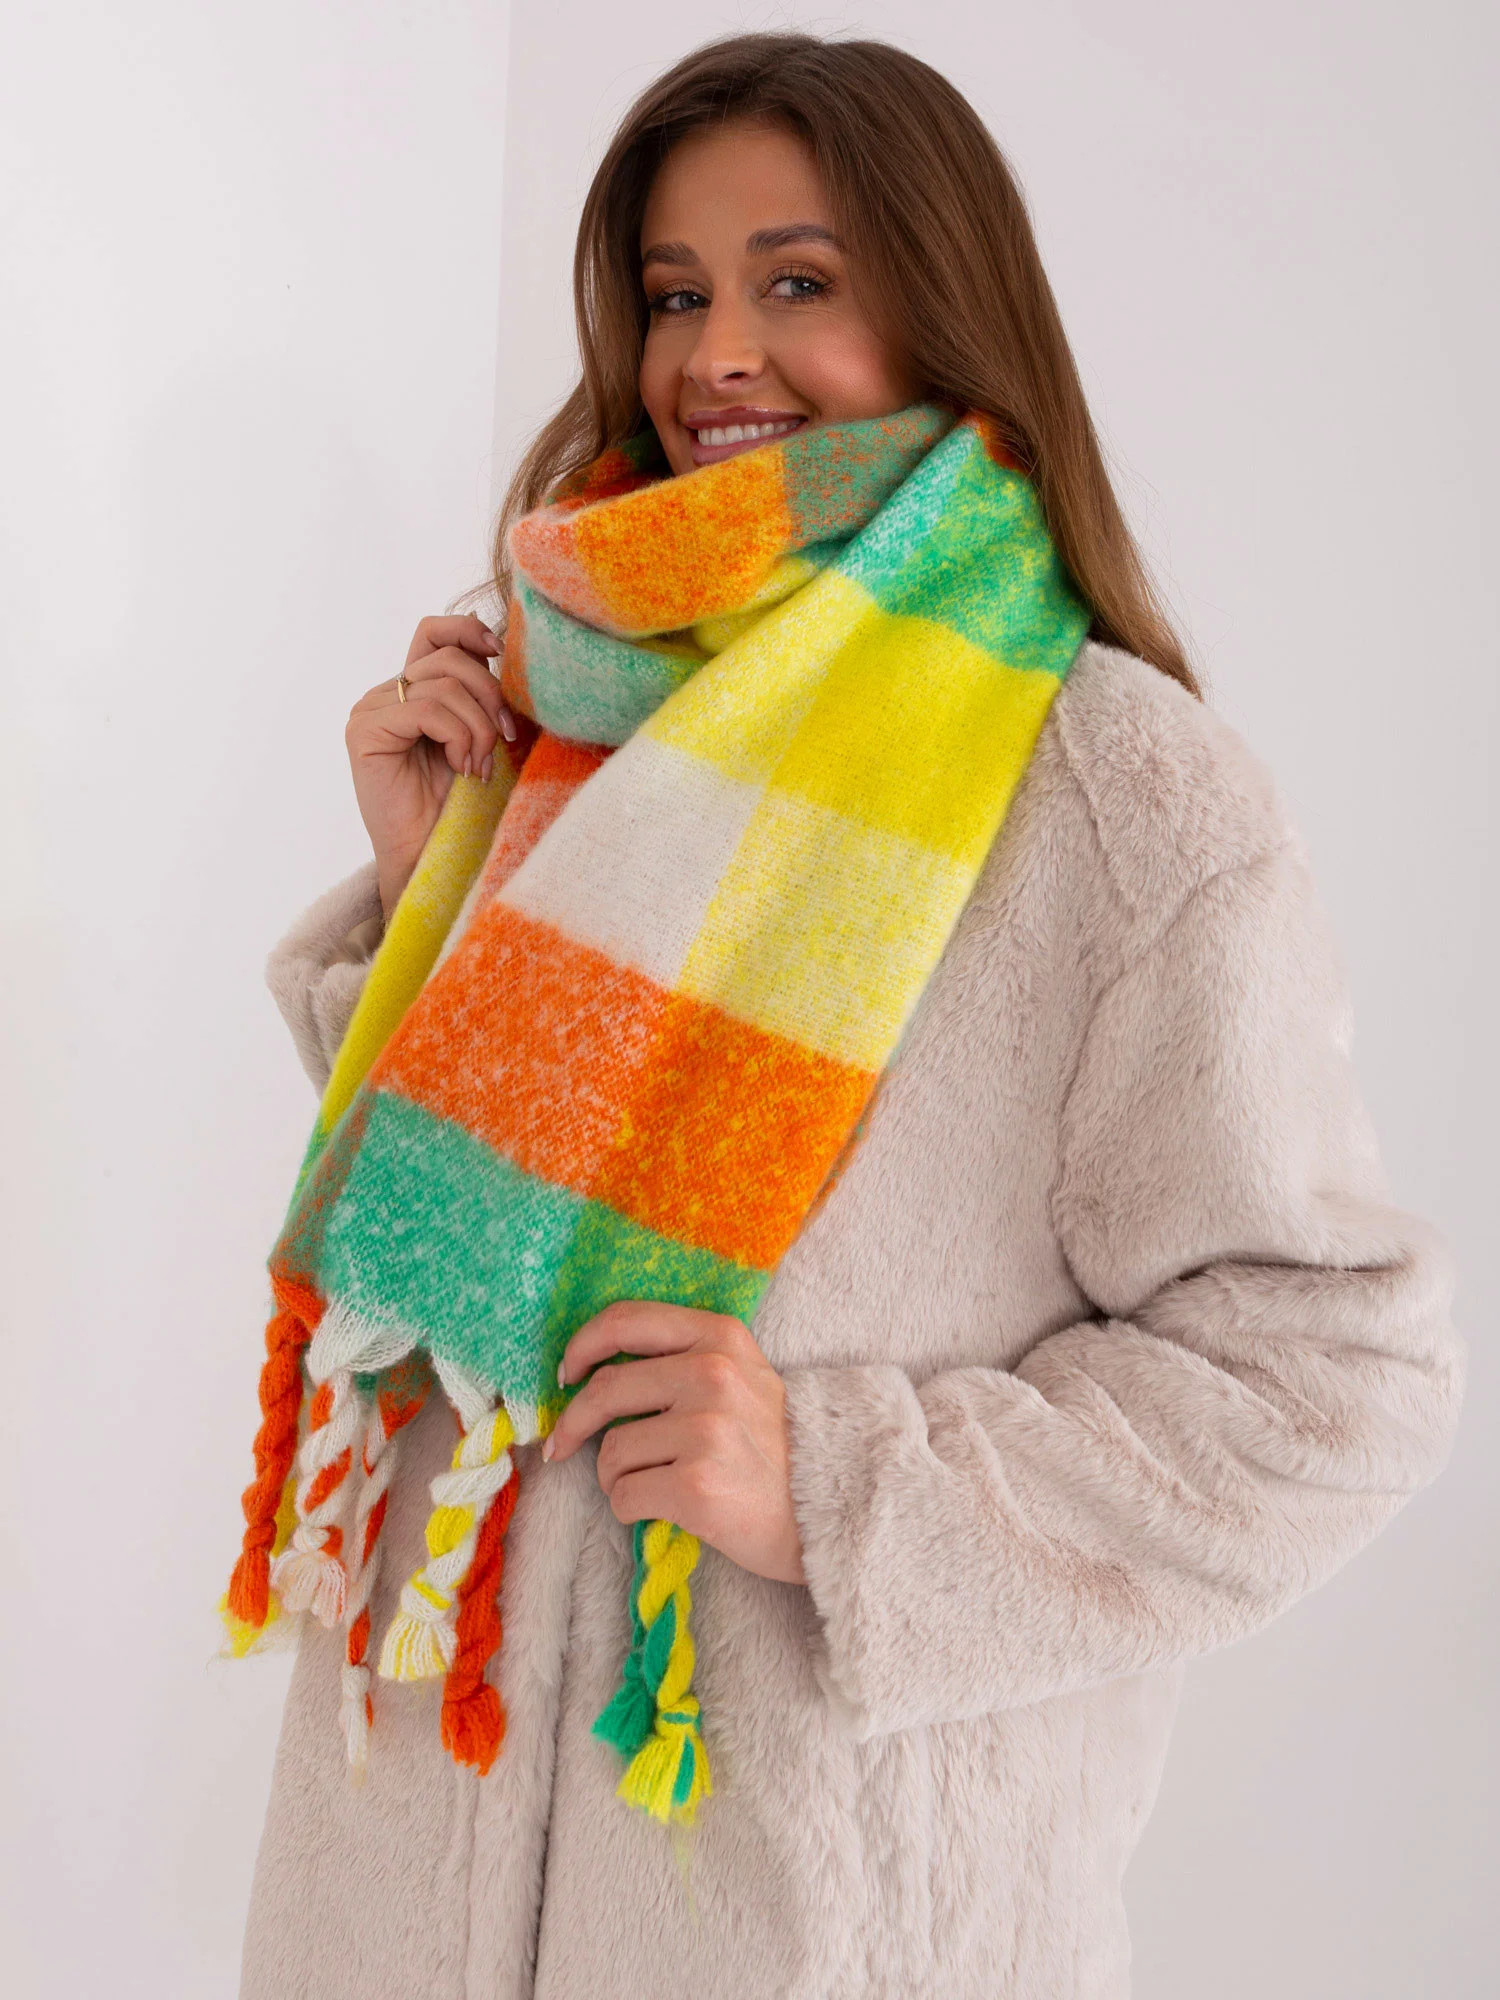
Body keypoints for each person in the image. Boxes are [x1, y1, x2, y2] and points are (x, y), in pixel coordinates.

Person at [238, 31, 1462, 2000]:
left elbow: (1331, 1384)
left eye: (796, 280)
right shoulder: (573, 708)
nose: (716, 353)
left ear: (944, 304)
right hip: (400, 1892)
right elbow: (490, 1253)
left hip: (818, 1929)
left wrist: (839, 1486)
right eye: (674, 293)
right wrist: (428, 892)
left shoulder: (1112, 788)